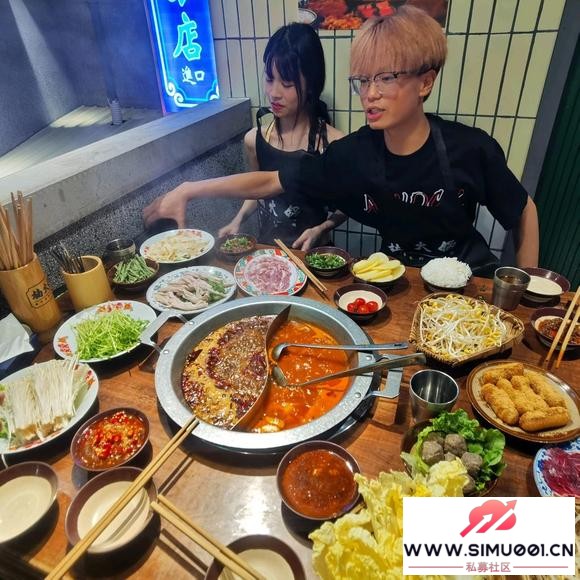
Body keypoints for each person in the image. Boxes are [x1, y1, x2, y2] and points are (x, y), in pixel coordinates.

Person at [144, 6, 539, 274]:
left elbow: (523, 210)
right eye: (363, 80)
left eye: (386, 78)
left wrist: (528, 292)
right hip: (398, 280)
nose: (370, 94)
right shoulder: (352, 154)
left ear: (425, 82)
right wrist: (189, 189)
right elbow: (270, 181)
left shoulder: (469, 148)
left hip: (468, 282)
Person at [221, 23, 347, 250]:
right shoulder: (254, 140)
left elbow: (346, 205)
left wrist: (321, 228)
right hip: (268, 255)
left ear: (311, 84)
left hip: (312, 258)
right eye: (269, 79)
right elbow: (257, 190)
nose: (274, 93)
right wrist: (237, 219)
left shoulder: (332, 143)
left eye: (287, 83)